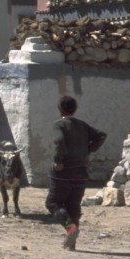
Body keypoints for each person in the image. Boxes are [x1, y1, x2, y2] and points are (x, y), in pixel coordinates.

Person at [46, 95, 106, 250]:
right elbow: (101, 135)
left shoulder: (59, 125)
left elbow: (59, 142)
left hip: (63, 173)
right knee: (73, 206)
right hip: (81, 172)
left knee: (52, 203)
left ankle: (70, 229)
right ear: (75, 109)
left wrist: (58, 161)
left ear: (60, 109)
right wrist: (88, 150)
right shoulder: (83, 125)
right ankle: (71, 244)